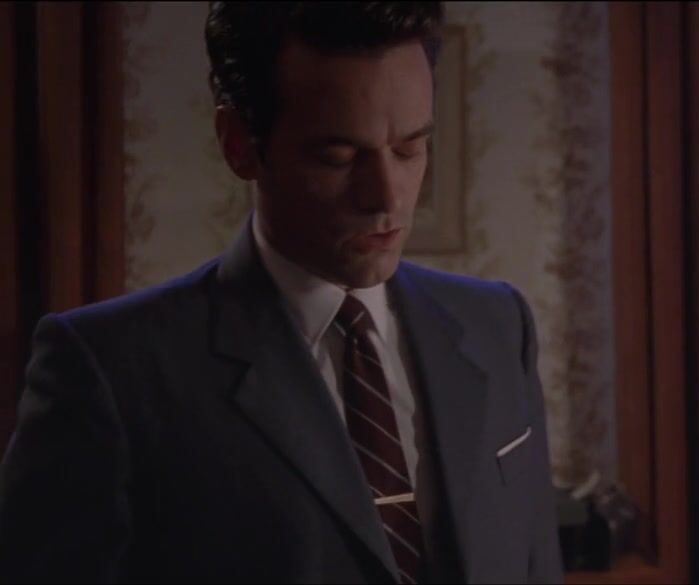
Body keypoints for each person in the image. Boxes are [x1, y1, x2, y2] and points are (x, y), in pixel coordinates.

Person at [0, 3, 561, 583]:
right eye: (338, 155)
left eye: (408, 148)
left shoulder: (499, 324)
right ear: (239, 143)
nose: (386, 196)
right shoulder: (111, 369)